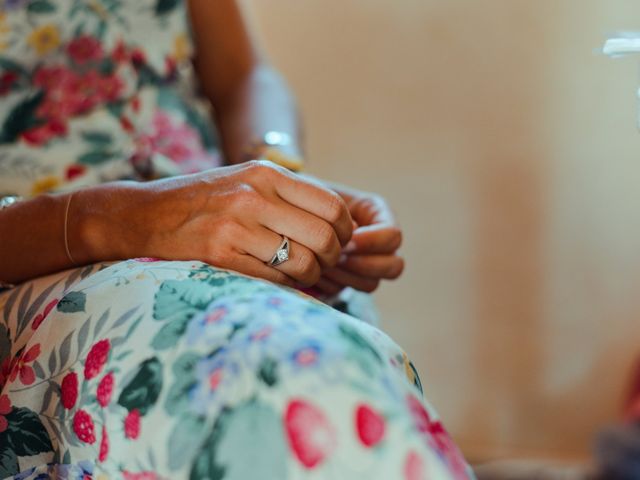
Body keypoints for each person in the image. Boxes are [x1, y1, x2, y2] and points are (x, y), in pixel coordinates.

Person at [0, 0, 475, 478]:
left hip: (210, 226)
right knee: (287, 370)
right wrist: (113, 220)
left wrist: (272, 177)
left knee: (328, 350)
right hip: (33, 265)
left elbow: (243, 76)